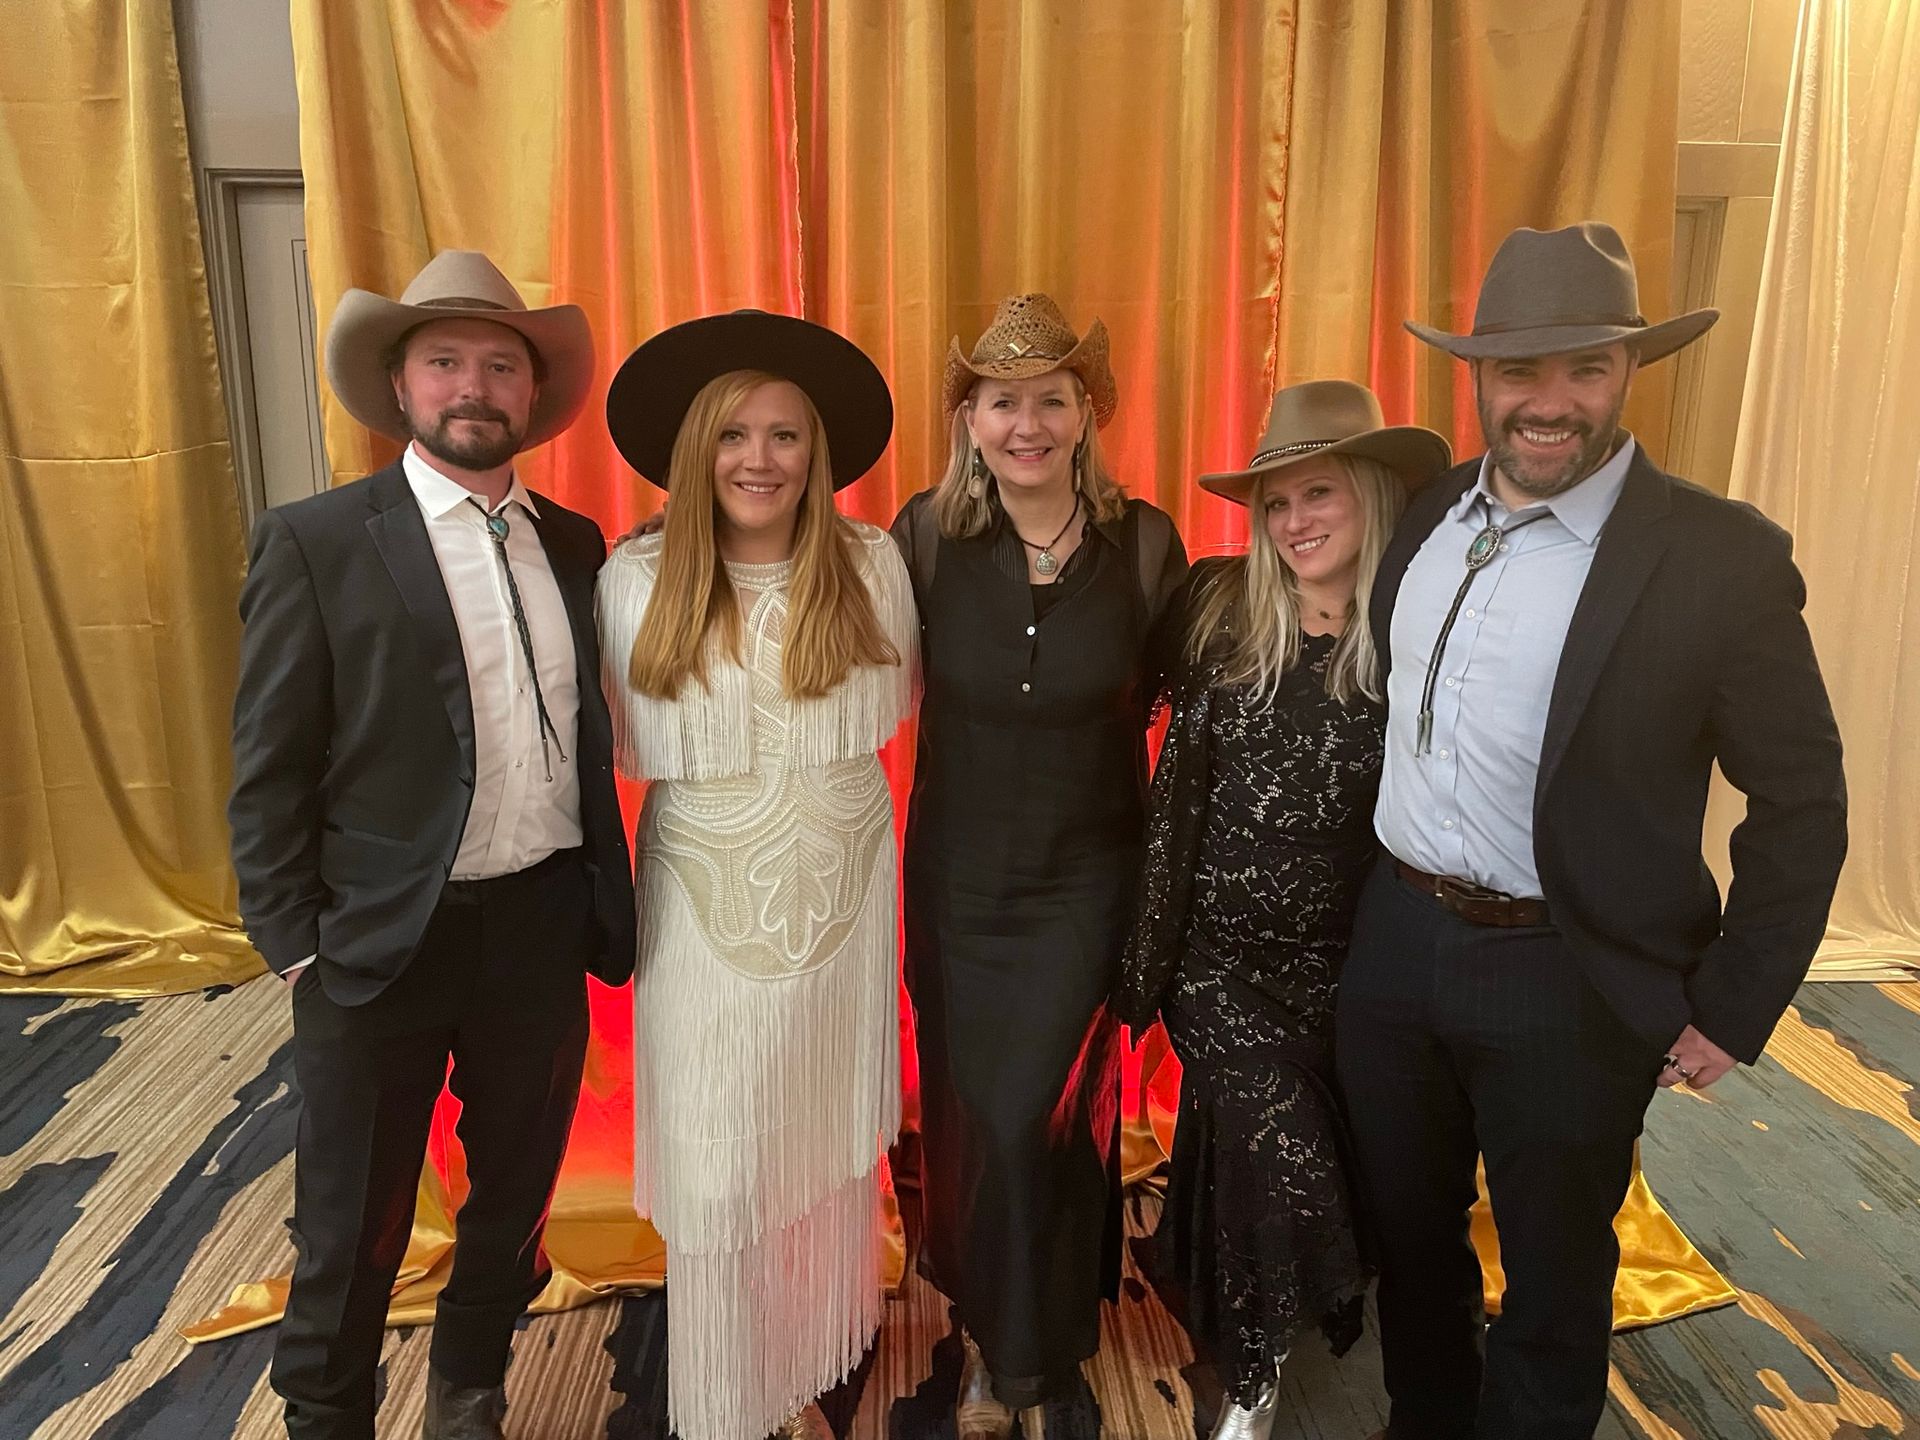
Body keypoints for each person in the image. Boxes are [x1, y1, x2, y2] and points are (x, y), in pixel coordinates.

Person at [1336, 222, 1847, 1440]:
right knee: (1407, 1239)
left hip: (1567, 973)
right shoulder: (1428, 513)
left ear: (1628, 371)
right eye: (1522, 370)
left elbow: (1803, 798)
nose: (1551, 402)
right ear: (1479, 378)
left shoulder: (1720, 558)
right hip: (1396, 945)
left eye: (1586, 368)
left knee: (1556, 1272)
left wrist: (1735, 1000)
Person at [229, 250, 636, 1440]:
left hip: (538, 925)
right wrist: (293, 943)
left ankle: (469, 1386)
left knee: (515, 1191)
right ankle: (326, 1414)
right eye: (445, 361)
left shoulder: (577, 544)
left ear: (531, 393)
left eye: (500, 365)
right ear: (401, 386)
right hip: (375, 940)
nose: (473, 386)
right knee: (349, 1217)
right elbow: (268, 761)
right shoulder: (317, 541)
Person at [597, 311, 917, 1440]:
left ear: (815, 452)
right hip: (702, 897)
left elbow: (908, 703)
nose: (759, 459)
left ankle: (810, 1362)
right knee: (721, 1152)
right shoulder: (634, 579)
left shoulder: (873, 565)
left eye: (785, 434)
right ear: (696, 449)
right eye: (733, 434)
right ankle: (729, 1393)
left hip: (844, 886)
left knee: (820, 1141)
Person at [1116, 382, 1452, 1440]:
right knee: (1279, 1133)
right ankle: (1254, 1383)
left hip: (1354, 971)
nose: (1295, 521)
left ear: (1372, 497)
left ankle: (1239, 1288)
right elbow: (1107, 702)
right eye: (1276, 503)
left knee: (1308, 1161)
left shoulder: (1420, 633)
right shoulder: (1218, 607)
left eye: (1320, 495)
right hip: (1213, 961)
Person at [892, 293, 1188, 1436]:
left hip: (1087, 880)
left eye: (1051, 401)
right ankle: (996, 1334)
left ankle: (1032, 1351)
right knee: (973, 1116)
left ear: (1086, 415)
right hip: (958, 883)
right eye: (1002, 402)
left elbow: (1189, 699)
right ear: (968, 420)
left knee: (1046, 1116)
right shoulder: (924, 536)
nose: (1028, 425)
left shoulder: (1146, 544)